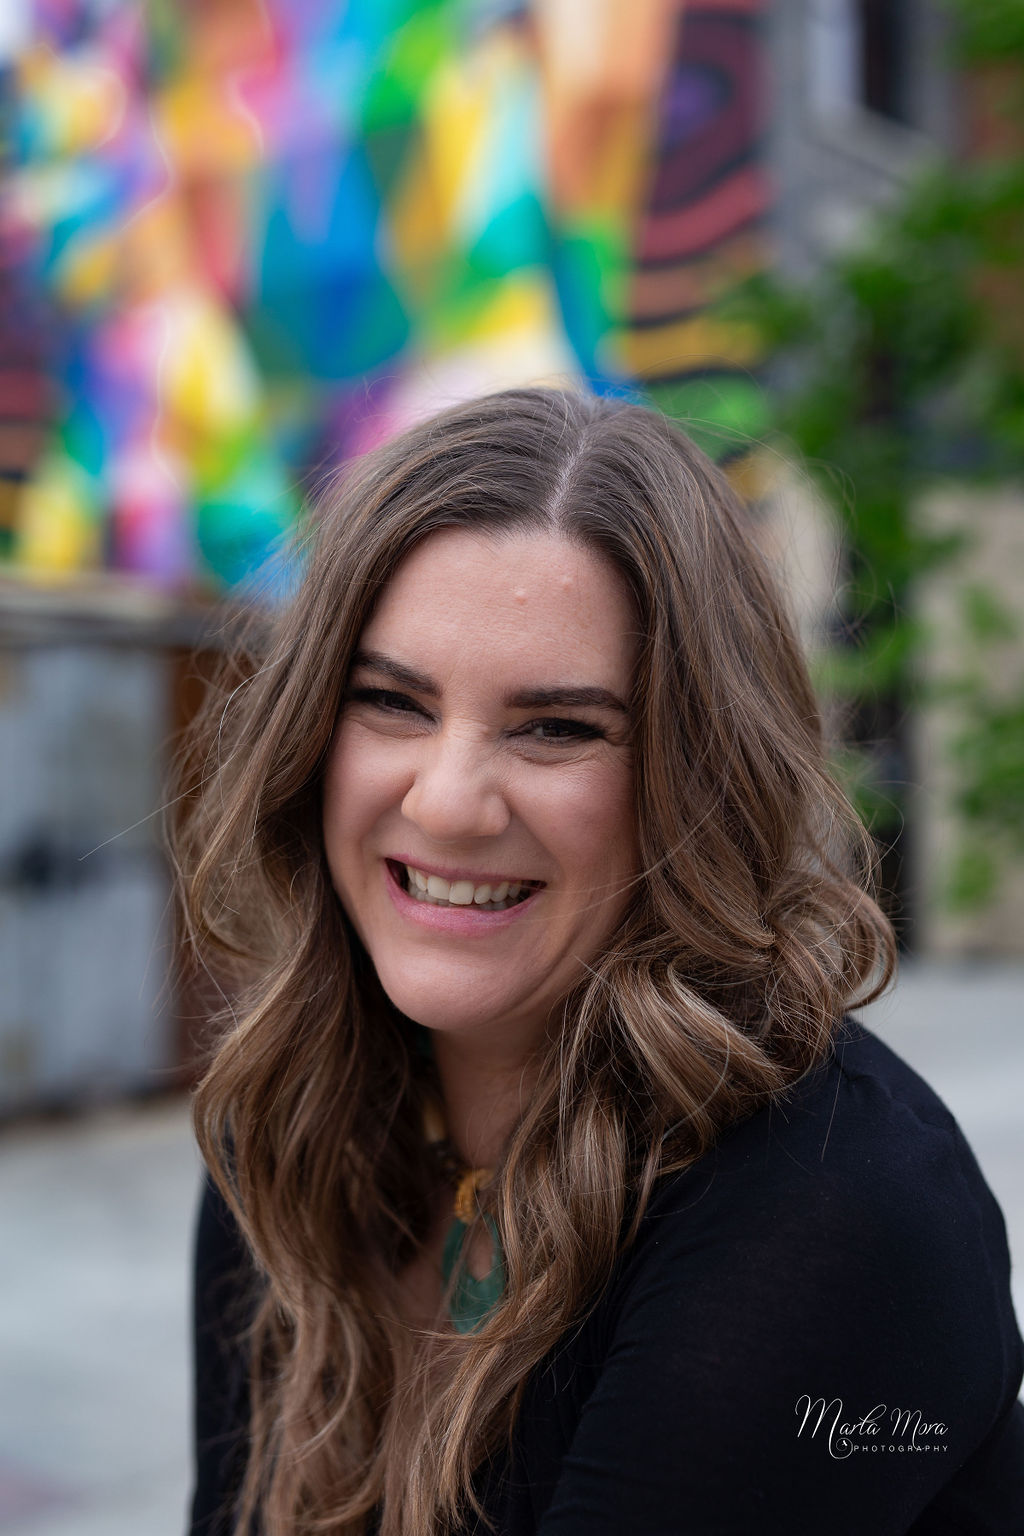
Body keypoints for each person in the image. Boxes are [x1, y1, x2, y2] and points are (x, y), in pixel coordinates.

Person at [179, 387, 1024, 1536]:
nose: (447, 802)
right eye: (390, 702)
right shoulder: (285, 1119)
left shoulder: (829, 1208)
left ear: (699, 777)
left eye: (557, 728)